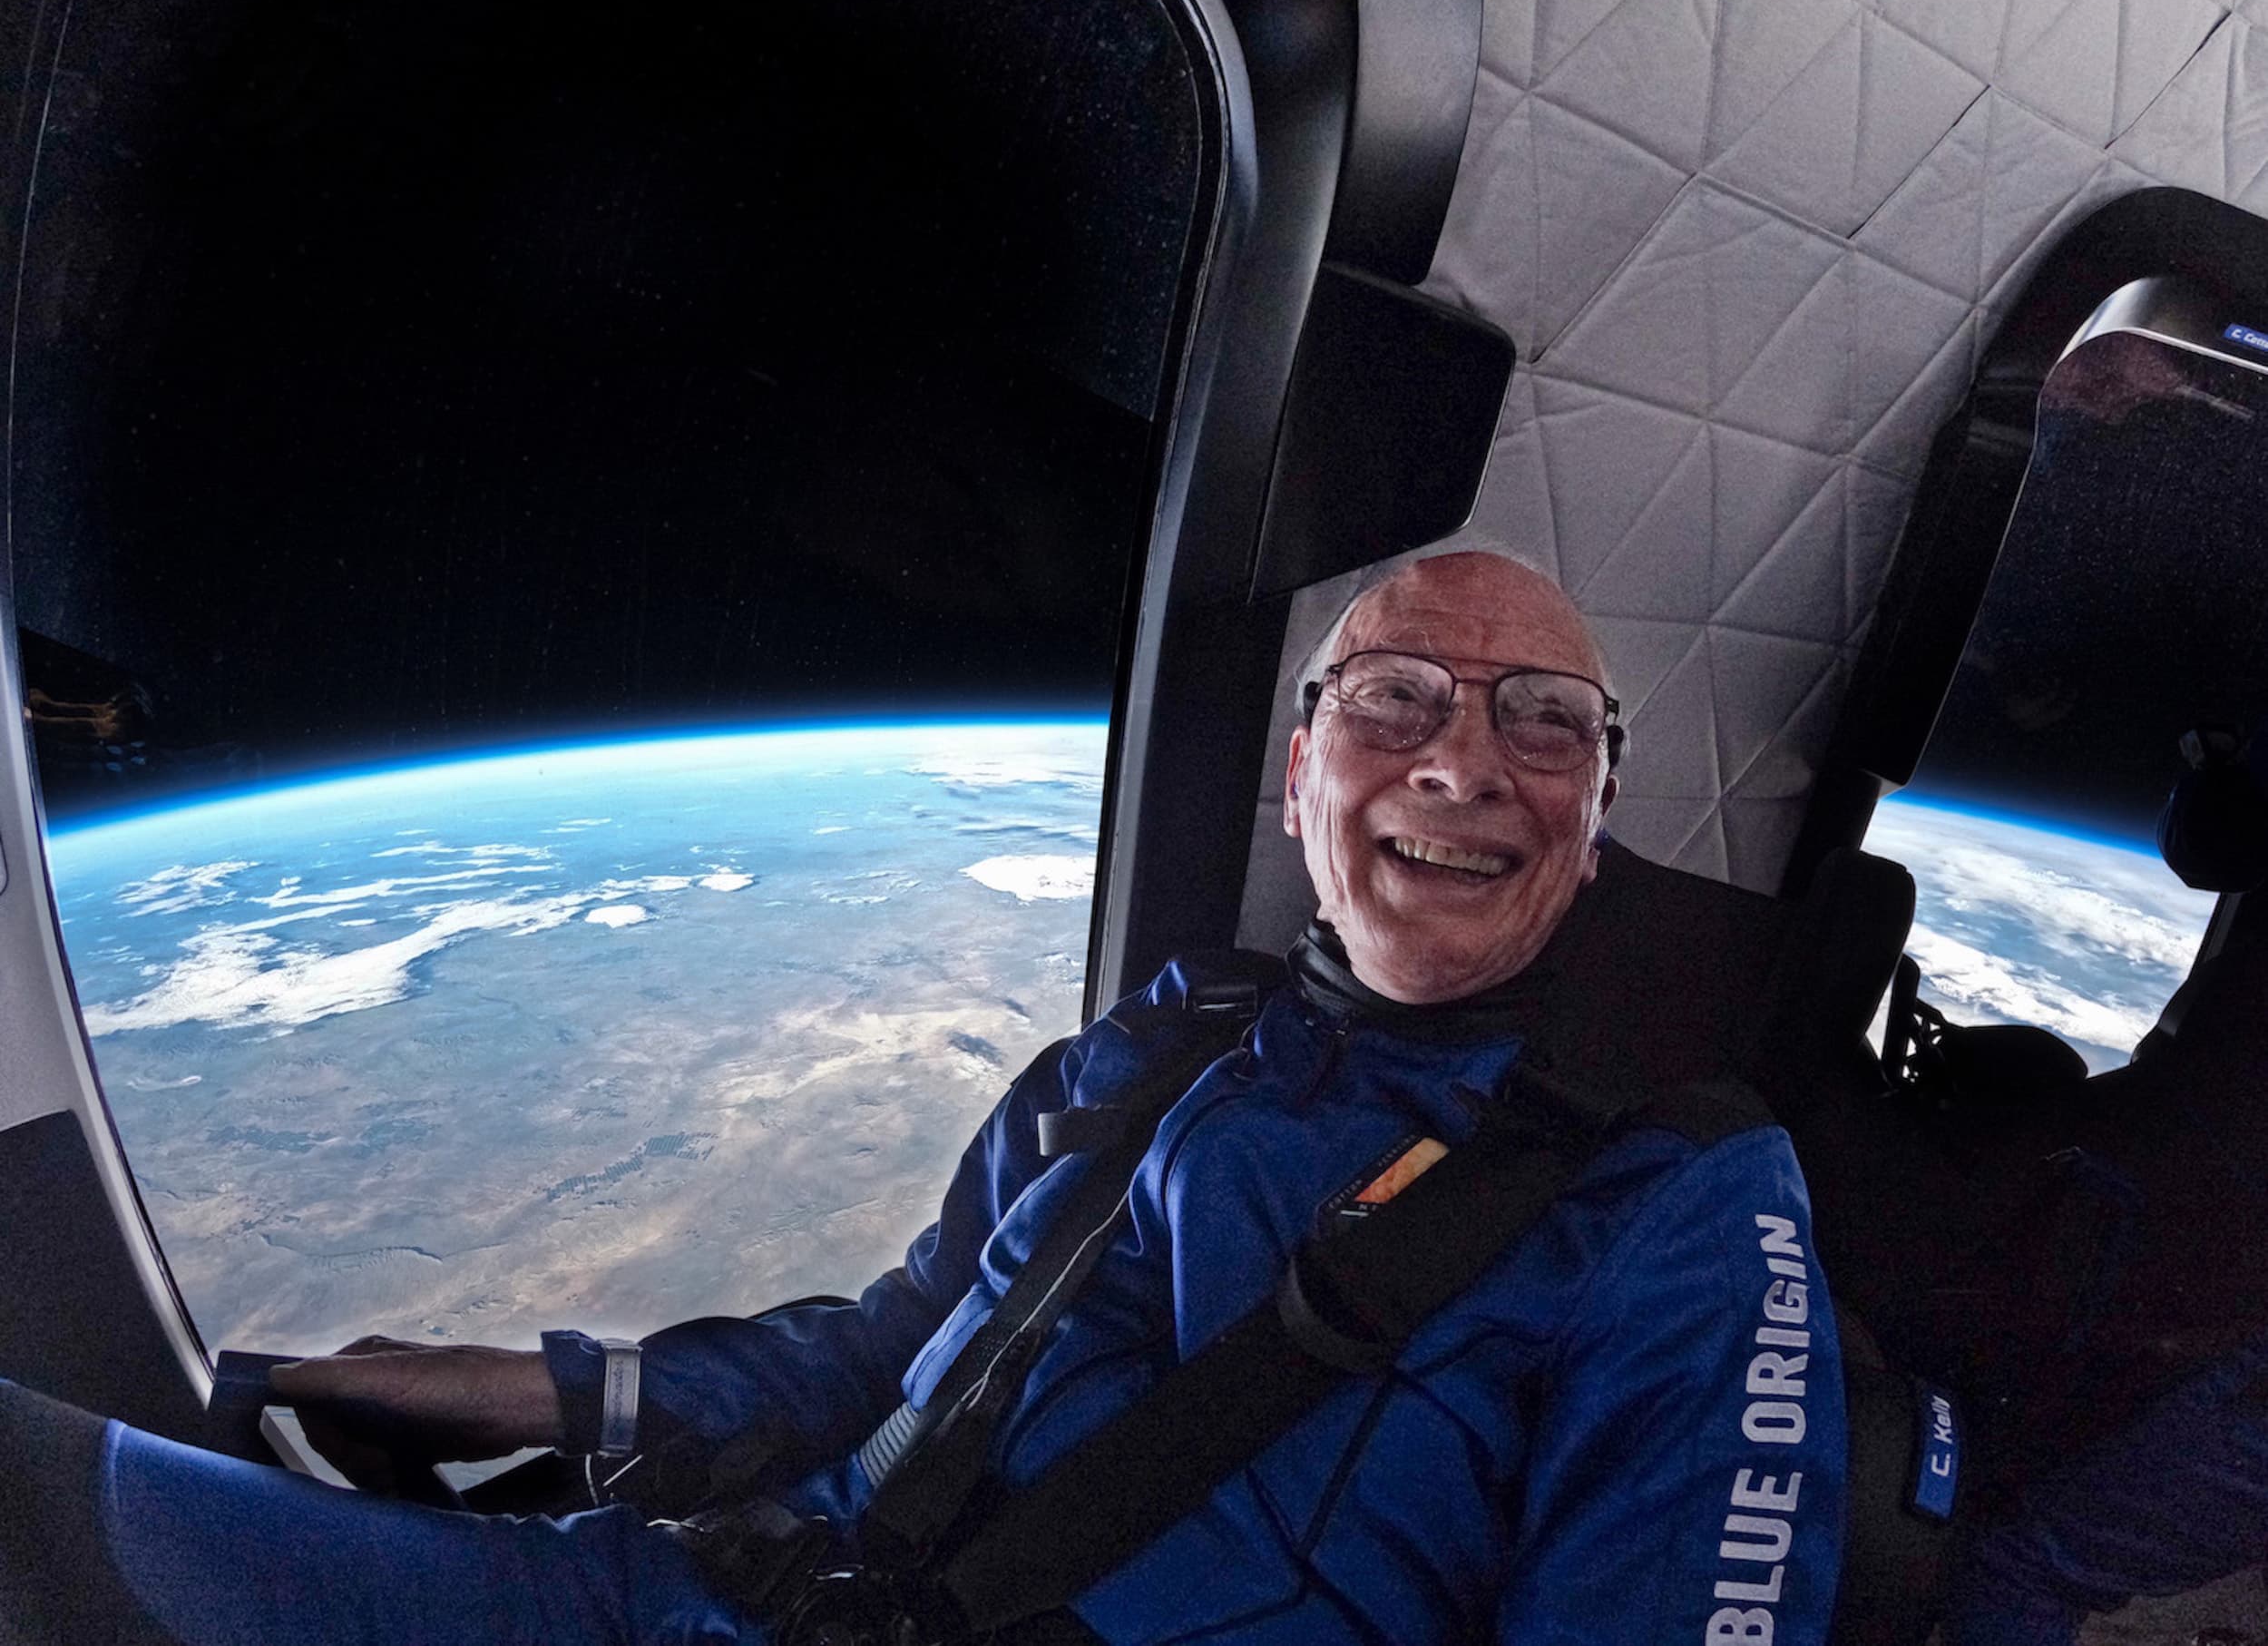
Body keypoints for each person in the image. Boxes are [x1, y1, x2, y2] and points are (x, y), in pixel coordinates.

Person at [0, 551, 1848, 1643]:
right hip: (694, 1595)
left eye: (1542, 719)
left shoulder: (1677, 1192)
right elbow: (894, 1346)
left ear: (1593, 820)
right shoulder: (1158, 1042)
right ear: (1296, 771)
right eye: (1399, 694)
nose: (1462, 755)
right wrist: (556, 1385)